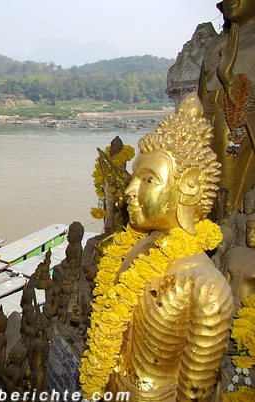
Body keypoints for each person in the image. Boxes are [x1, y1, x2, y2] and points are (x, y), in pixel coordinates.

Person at [80, 94, 234, 401]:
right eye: (135, 177)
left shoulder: (206, 287)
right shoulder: (136, 248)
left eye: (148, 180)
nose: (130, 191)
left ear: (188, 185)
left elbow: (194, 391)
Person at [199, 0, 255, 216]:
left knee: (227, 194)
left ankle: (228, 230)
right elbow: (201, 92)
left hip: (238, 124)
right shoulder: (218, 43)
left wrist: (232, 83)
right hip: (208, 119)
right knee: (205, 187)